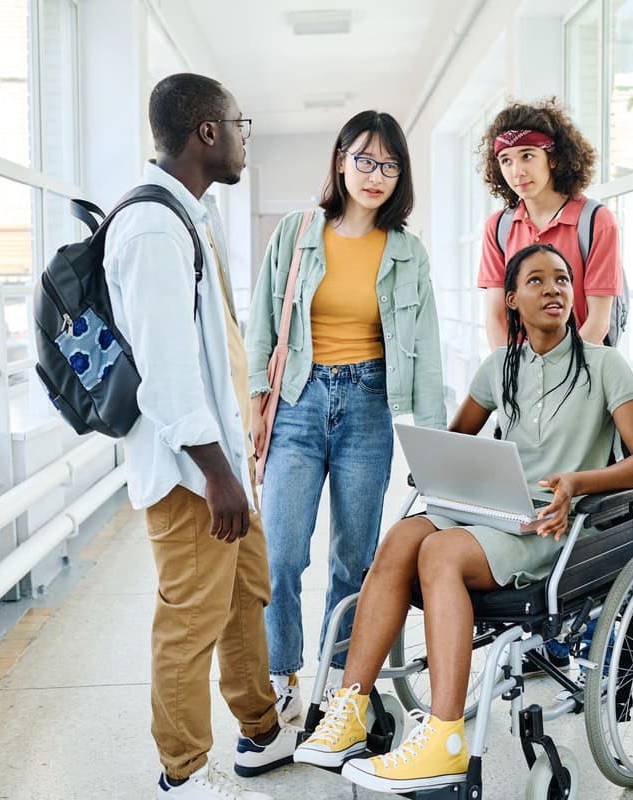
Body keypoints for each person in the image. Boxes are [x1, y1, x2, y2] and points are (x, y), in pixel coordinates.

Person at [289, 243, 633, 794]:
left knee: (438, 551)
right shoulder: (500, 367)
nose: (554, 289)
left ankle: (443, 738)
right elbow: (456, 441)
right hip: (492, 508)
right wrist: (443, 466)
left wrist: (579, 481)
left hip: (553, 526)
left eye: (562, 279)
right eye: (536, 281)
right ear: (511, 299)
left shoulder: (604, 365)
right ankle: (349, 709)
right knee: (399, 540)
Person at [104, 73, 297, 800]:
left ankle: (261, 732)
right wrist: (217, 472)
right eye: (239, 122)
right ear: (208, 132)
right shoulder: (153, 225)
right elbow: (165, 369)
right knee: (189, 621)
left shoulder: (190, 214)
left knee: (246, 594)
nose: (247, 136)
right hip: (192, 473)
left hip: (220, 464)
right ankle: (181, 773)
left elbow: (211, 351)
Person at [245, 111, 446, 725]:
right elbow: (260, 324)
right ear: (340, 161)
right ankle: (284, 676)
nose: (375, 175)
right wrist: (257, 401)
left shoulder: (408, 253)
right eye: (364, 160)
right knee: (281, 553)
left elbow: (428, 353)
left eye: (389, 165)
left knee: (355, 558)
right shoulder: (297, 232)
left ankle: (341, 682)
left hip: (368, 406)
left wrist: (435, 451)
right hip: (298, 406)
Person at [477, 98, 623, 352]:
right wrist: (514, 373)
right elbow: (495, 317)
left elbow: (598, 321)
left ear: (553, 158)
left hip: (581, 371)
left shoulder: (596, 221)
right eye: (506, 160)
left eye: (527, 156)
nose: (516, 172)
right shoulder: (498, 227)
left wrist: (555, 374)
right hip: (520, 377)